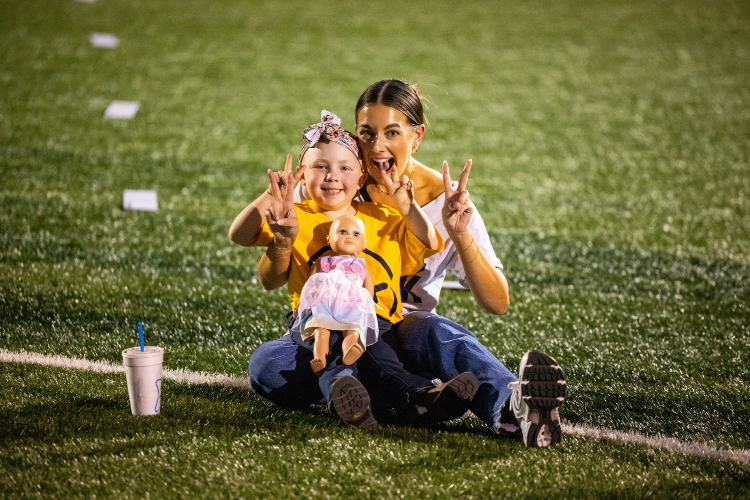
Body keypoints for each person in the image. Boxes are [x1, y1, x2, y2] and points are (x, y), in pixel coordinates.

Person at [296, 80, 567, 447]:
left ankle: (513, 408)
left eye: (392, 132)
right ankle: (404, 396)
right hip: (339, 331)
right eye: (366, 133)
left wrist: (461, 233)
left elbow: (497, 301)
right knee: (269, 365)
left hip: (408, 334)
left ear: (417, 135)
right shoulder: (337, 182)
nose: (377, 147)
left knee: (442, 335)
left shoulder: (445, 201)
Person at [230, 111, 480, 430]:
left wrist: (407, 206)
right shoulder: (295, 215)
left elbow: (430, 240)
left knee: (373, 351)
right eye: (320, 167)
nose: (332, 176)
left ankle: (401, 397)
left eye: (344, 168)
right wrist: (269, 196)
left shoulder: (380, 216)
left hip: (371, 320)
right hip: (313, 320)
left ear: (361, 179)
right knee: (267, 365)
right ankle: (387, 396)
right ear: (301, 175)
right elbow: (239, 234)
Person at [294, 214, 378, 375]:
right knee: (321, 331)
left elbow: (369, 289)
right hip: (325, 302)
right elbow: (311, 284)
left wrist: (367, 306)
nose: (349, 237)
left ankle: (350, 351)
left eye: (356, 234)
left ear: (364, 244)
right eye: (342, 232)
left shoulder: (361, 265)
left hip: (352, 303)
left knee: (352, 330)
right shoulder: (323, 262)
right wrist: (303, 302)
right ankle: (319, 359)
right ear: (328, 239)